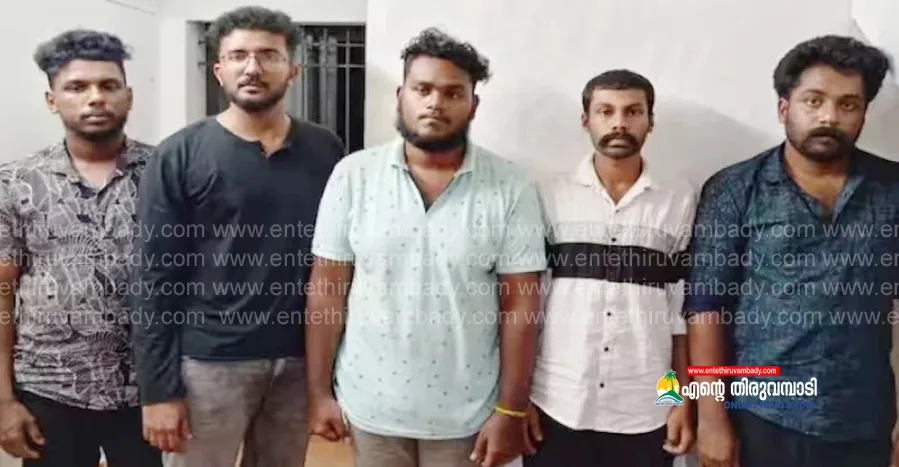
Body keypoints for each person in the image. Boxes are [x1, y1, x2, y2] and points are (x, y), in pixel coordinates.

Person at [305, 27, 547, 467]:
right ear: (401, 96)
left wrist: (511, 409)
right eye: (423, 89)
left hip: (468, 414)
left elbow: (521, 304)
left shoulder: (511, 186)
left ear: (473, 105)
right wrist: (319, 393)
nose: (435, 102)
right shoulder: (353, 176)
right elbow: (326, 291)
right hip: (370, 407)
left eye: (453, 93)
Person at [131, 6, 345, 467]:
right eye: (238, 56)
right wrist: (158, 391)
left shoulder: (325, 150)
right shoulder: (180, 154)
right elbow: (154, 279)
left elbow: (337, 265)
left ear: (293, 70)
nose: (252, 67)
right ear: (219, 70)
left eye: (268, 55)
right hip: (208, 363)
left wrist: (326, 376)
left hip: (298, 362)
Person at [685, 35, 899, 467]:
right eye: (813, 101)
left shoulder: (891, 189)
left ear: (863, 113)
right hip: (761, 415)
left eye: (848, 104)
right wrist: (710, 418)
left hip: (864, 415)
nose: (829, 117)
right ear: (784, 108)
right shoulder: (735, 188)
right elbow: (706, 307)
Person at [0, 30, 159, 467]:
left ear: (128, 96)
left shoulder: (166, 173)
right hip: (49, 390)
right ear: (52, 100)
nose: (95, 98)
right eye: (77, 87)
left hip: (150, 392)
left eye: (108, 85)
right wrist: (3, 401)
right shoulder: (16, 183)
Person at [522, 70, 696, 467]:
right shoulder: (550, 194)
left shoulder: (678, 198)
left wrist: (679, 398)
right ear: (586, 120)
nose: (619, 123)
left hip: (646, 408)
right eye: (606, 111)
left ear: (650, 120)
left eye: (633, 111)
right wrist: (520, 399)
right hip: (556, 403)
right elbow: (529, 306)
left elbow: (678, 314)